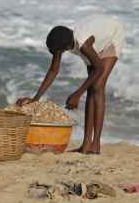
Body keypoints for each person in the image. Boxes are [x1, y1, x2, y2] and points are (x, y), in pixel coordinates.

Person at [16, 14, 125, 155]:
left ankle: (96, 144)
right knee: (91, 88)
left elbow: (100, 68)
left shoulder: (83, 43)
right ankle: (86, 144)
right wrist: (36, 98)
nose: (55, 54)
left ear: (67, 47)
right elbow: (53, 70)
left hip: (112, 36)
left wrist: (77, 94)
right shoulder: (61, 39)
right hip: (97, 37)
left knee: (97, 87)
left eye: (56, 52)